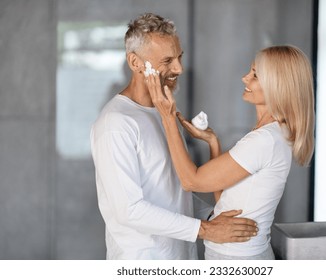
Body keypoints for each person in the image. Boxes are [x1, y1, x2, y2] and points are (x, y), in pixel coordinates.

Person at [90, 13, 258, 260]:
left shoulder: (164, 112)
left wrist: (213, 217)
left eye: (179, 57)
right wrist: (208, 229)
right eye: (167, 60)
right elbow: (129, 210)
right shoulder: (115, 123)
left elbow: (175, 192)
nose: (178, 68)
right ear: (135, 63)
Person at [146, 45, 315, 259]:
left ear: (277, 85)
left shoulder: (264, 140)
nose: (245, 78)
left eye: (255, 74)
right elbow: (225, 204)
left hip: (238, 259)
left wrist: (167, 117)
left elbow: (191, 181)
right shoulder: (271, 134)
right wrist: (213, 143)